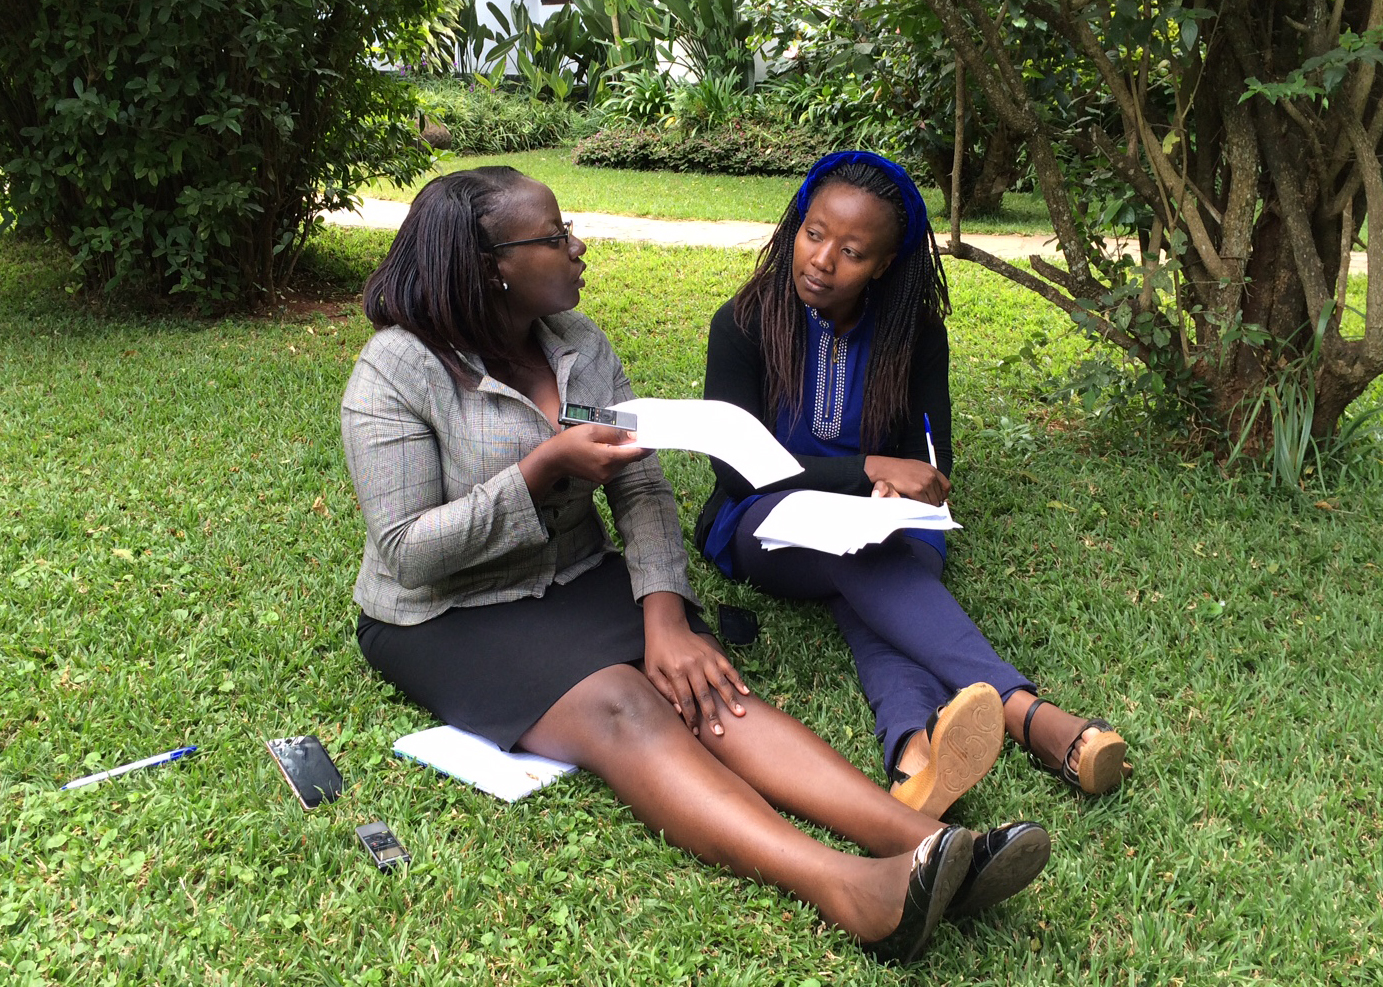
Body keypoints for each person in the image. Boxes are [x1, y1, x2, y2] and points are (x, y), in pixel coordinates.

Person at [339, 168, 1052, 963]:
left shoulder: (579, 345)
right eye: (553, 236)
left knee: (711, 689)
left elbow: (640, 485)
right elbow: (405, 550)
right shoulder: (395, 369)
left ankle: (929, 838)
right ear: (488, 264)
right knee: (626, 704)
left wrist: (664, 616)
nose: (578, 246)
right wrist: (537, 473)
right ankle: (847, 886)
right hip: (446, 612)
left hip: (577, 577)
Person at [694, 151, 1132, 817]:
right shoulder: (744, 321)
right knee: (860, 559)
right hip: (765, 521)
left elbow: (932, 463)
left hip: (885, 527)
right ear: (794, 228)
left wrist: (910, 488)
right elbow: (734, 467)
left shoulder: (914, 334)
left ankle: (913, 761)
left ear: (885, 264)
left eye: (852, 251)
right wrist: (862, 469)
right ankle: (1032, 716)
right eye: (813, 235)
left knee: (868, 586)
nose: (821, 260)